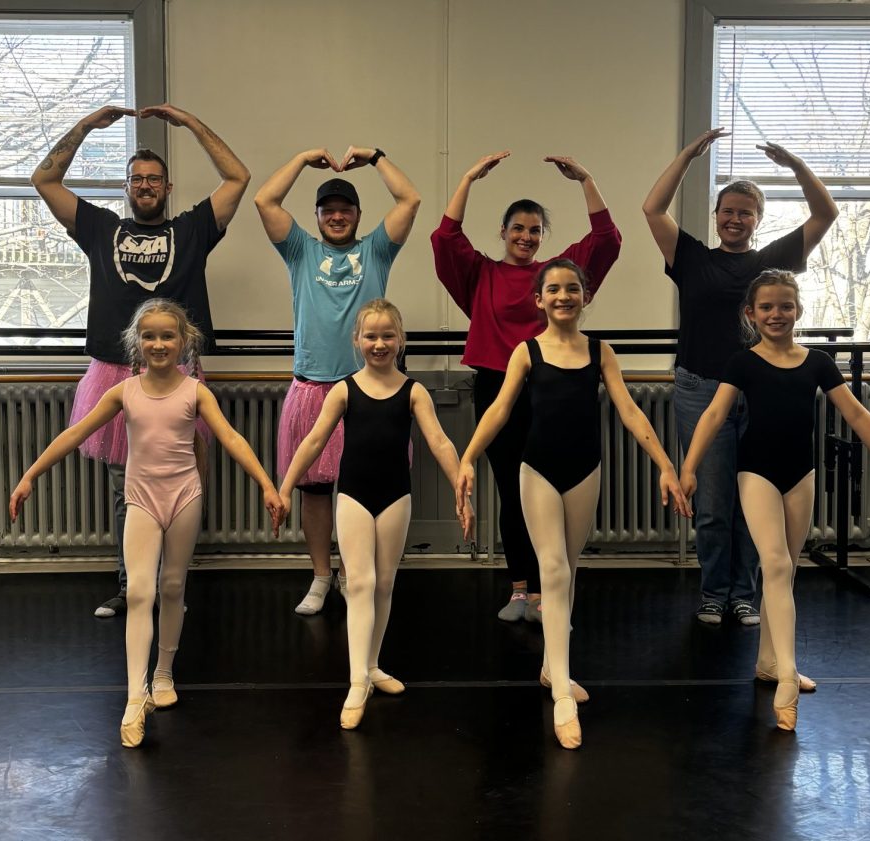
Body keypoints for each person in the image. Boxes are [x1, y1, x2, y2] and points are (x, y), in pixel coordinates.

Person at [10, 299, 285, 748]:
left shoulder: (196, 391)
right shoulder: (125, 392)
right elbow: (74, 433)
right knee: (140, 591)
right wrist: (30, 475)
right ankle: (135, 696)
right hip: (140, 498)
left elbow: (231, 437)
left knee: (173, 587)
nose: (158, 344)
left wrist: (266, 486)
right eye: (149, 336)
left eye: (167, 336)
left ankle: (163, 673)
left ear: (184, 343)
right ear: (136, 344)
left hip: (184, 497)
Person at [456, 260, 690, 750]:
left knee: (571, 568)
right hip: (536, 470)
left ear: (585, 296)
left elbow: (628, 408)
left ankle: (549, 668)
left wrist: (666, 463)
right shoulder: (527, 351)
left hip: (585, 471)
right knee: (554, 570)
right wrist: (468, 458)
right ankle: (563, 689)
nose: (563, 296)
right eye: (553, 290)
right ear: (538, 300)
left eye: (572, 289)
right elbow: (499, 409)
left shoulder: (600, 352)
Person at [31, 103, 250, 617]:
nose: (145, 186)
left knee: (186, 480)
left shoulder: (192, 230)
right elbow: (44, 179)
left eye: (154, 179)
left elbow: (238, 176)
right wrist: (84, 126)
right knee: (123, 487)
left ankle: (171, 585)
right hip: (115, 371)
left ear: (167, 188)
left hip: (179, 374)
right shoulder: (100, 228)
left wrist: (193, 124)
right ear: (126, 187)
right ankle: (132, 585)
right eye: (137, 179)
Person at [679, 271, 870, 730]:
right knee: (772, 564)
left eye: (785, 306)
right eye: (766, 307)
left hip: (801, 476)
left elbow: (856, 412)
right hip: (756, 474)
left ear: (798, 310)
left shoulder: (818, 363)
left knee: (787, 569)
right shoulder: (742, 363)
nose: (776, 314)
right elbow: (713, 414)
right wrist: (689, 468)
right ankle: (787, 676)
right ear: (751, 313)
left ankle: (769, 662)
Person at [642, 129, 839, 626]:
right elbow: (651, 208)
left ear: (758, 220)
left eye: (745, 212)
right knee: (711, 501)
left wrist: (795, 163)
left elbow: (826, 215)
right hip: (699, 390)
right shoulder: (691, 258)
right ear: (716, 217)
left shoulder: (771, 261)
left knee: (755, 498)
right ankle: (714, 592)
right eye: (727, 210)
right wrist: (688, 153)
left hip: (761, 394)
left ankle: (745, 595)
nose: (735, 219)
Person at [432, 152, 621, 623]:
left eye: (535, 230)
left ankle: (545, 589)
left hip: (552, 390)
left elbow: (606, 240)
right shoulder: (481, 275)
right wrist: (468, 178)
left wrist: (586, 178)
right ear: (503, 232)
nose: (526, 237)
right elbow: (445, 239)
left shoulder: (555, 277)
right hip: (498, 391)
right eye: (518, 228)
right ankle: (520, 589)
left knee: (551, 490)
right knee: (513, 491)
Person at [279, 299, 473, 729]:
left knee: (384, 584)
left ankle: (372, 666)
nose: (379, 343)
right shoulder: (345, 390)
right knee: (361, 582)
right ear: (357, 340)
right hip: (353, 496)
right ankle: (355, 682)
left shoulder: (413, 391)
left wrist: (462, 489)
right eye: (371, 336)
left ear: (400, 340)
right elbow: (312, 442)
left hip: (395, 497)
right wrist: (286, 485)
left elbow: (440, 443)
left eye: (388, 336)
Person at [255, 147, 420, 616]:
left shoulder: (377, 249)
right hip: (311, 386)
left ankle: (353, 573)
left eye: (345, 210)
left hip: (368, 390)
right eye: (328, 211)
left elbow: (409, 200)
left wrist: (377, 158)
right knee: (313, 489)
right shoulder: (300, 249)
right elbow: (265, 201)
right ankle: (321, 576)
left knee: (362, 487)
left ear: (358, 216)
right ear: (319, 217)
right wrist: (304, 159)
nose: (337, 217)